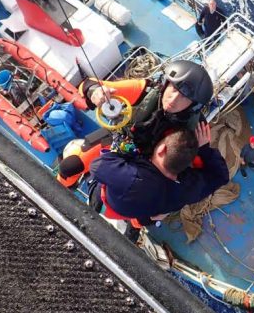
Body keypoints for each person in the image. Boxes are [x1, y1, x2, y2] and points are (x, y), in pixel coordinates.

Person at [89, 122, 229, 227]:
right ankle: (136, 226)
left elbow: (95, 166)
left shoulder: (131, 177)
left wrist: (125, 151)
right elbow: (220, 176)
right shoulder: (186, 191)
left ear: (161, 149)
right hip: (143, 214)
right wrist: (204, 149)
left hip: (111, 201)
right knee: (151, 218)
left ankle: (94, 209)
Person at [79, 60, 214, 155]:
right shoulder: (144, 90)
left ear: (194, 105)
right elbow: (87, 84)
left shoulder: (196, 129)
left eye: (185, 97)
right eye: (174, 89)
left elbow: (201, 168)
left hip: (145, 163)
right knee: (73, 163)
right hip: (119, 138)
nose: (173, 99)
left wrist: (201, 150)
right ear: (166, 84)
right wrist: (95, 91)